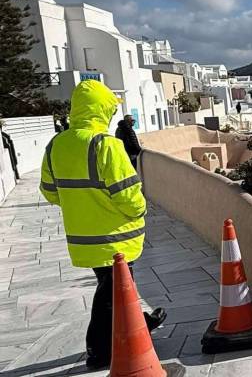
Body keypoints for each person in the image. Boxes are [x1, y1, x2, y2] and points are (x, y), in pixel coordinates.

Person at [39, 80, 165, 369]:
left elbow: (49, 191)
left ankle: (140, 323)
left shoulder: (56, 144)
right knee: (112, 291)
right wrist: (140, 210)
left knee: (113, 286)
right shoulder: (105, 145)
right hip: (115, 236)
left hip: (83, 236)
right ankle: (98, 350)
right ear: (102, 110)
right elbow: (129, 196)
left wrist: (81, 206)